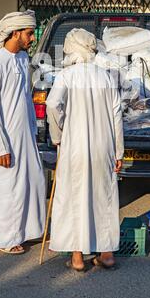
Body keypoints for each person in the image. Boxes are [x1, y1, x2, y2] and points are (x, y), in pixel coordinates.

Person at [46, 28, 124, 271]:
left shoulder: (66, 76)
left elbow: (52, 105)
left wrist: (57, 136)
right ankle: (107, 254)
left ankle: (78, 258)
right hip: (104, 147)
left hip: (74, 147)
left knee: (74, 197)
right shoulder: (106, 77)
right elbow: (117, 116)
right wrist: (119, 152)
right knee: (104, 198)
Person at [0, 10, 46, 254]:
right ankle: (4, 238)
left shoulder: (22, 59)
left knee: (31, 182)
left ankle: (26, 231)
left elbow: (25, 100)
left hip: (24, 135)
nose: (32, 38)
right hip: (4, 139)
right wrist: (0, 147)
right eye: (29, 33)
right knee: (7, 188)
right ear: (15, 32)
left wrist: (32, 131)